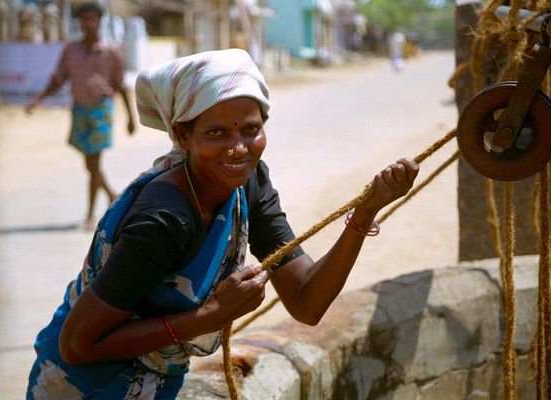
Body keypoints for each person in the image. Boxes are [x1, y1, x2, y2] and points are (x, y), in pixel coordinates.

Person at [26, 48, 419, 399]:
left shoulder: (249, 185)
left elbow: (307, 303)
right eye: (216, 133)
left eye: (250, 130)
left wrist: (365, 214)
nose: (237, 148)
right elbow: (77, 345)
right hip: (82, 387)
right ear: (183, 135)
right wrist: (212, 315)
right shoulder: (164, 219)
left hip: (155, 385)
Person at [26, 1, 135, 229]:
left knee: (94, 160)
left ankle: (90, 214)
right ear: (80, 22)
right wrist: (37, 99)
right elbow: (58, 79)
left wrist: (131, 118)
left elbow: (121, 85)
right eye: (84, 19)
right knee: (89, 163)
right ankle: (111, 194)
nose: (88, 23)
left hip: (101, 111)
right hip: (79, 110)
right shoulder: (71, 50)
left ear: (99, 21)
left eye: (92, 19)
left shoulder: (111, 51)